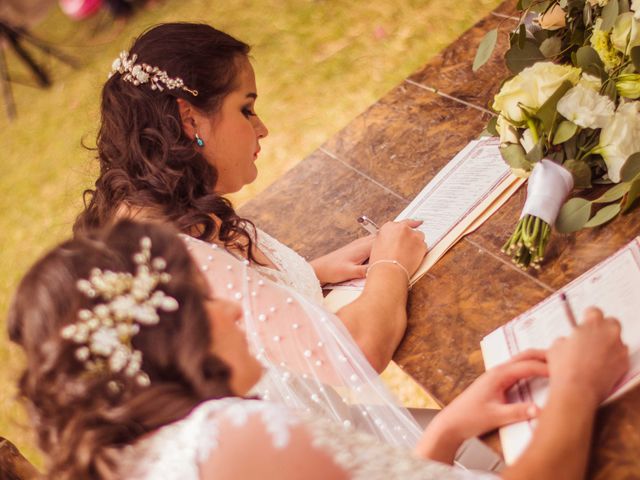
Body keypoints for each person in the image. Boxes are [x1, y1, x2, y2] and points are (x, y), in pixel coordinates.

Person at [8, 220, 630, 479]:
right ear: (162, 342)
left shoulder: (157, 457)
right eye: (206, 304)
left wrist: (446, 433)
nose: (232, 311)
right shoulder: (233, 439)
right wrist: (577, 382)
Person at [73, 22, 428, 444]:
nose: (262, 129)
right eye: (246, 109)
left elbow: (234, 313)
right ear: (190, 119)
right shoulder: (175, 256)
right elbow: (355, 351)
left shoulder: (135, 213)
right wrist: (392, 263)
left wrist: (311, 273)